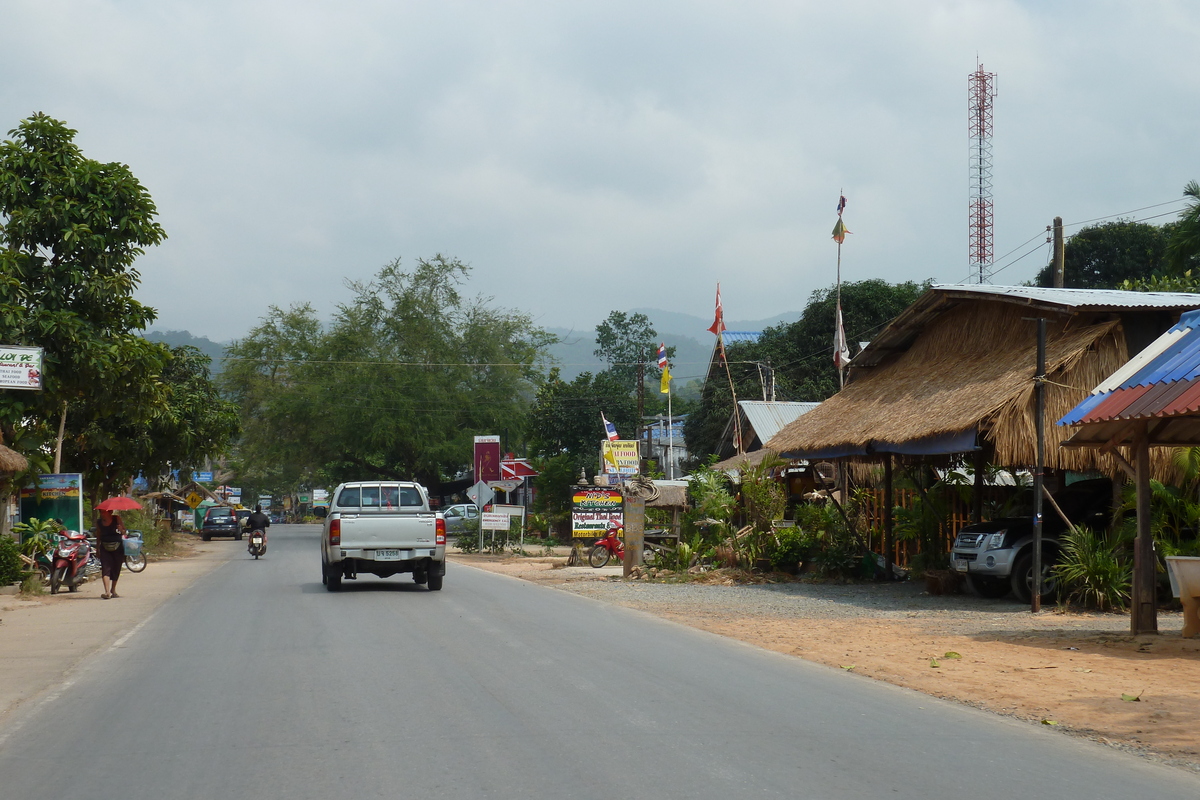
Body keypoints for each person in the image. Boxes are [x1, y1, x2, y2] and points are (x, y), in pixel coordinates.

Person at [95, 508, 126, 599]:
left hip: (118, 548)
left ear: (110, 512)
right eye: (100, 512)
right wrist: (97, 549)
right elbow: (98, 535)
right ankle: (107, 592)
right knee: (105, 568)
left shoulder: (116, 519)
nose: (102, 514)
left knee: (116, 567)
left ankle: (113, 589)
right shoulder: (99, 522)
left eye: (103, 512)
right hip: (104, 547)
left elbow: (124, 531)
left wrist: (121, 530)